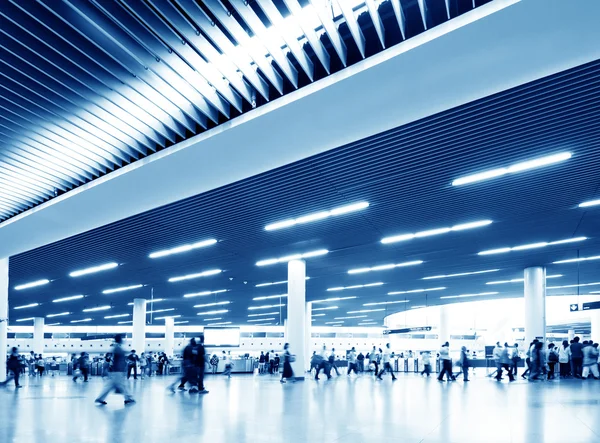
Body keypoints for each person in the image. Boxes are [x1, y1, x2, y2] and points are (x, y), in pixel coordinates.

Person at [95, 334, 135, 405]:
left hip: (116, 370)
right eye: (122, 339)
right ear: (119, 340)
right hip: (117, 370)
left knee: (109, 385)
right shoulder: (117, 347)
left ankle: (100, 399)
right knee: (122, 385)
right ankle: (128, 398)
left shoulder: (116, 347)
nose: (123, 340)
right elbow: (118, 356)